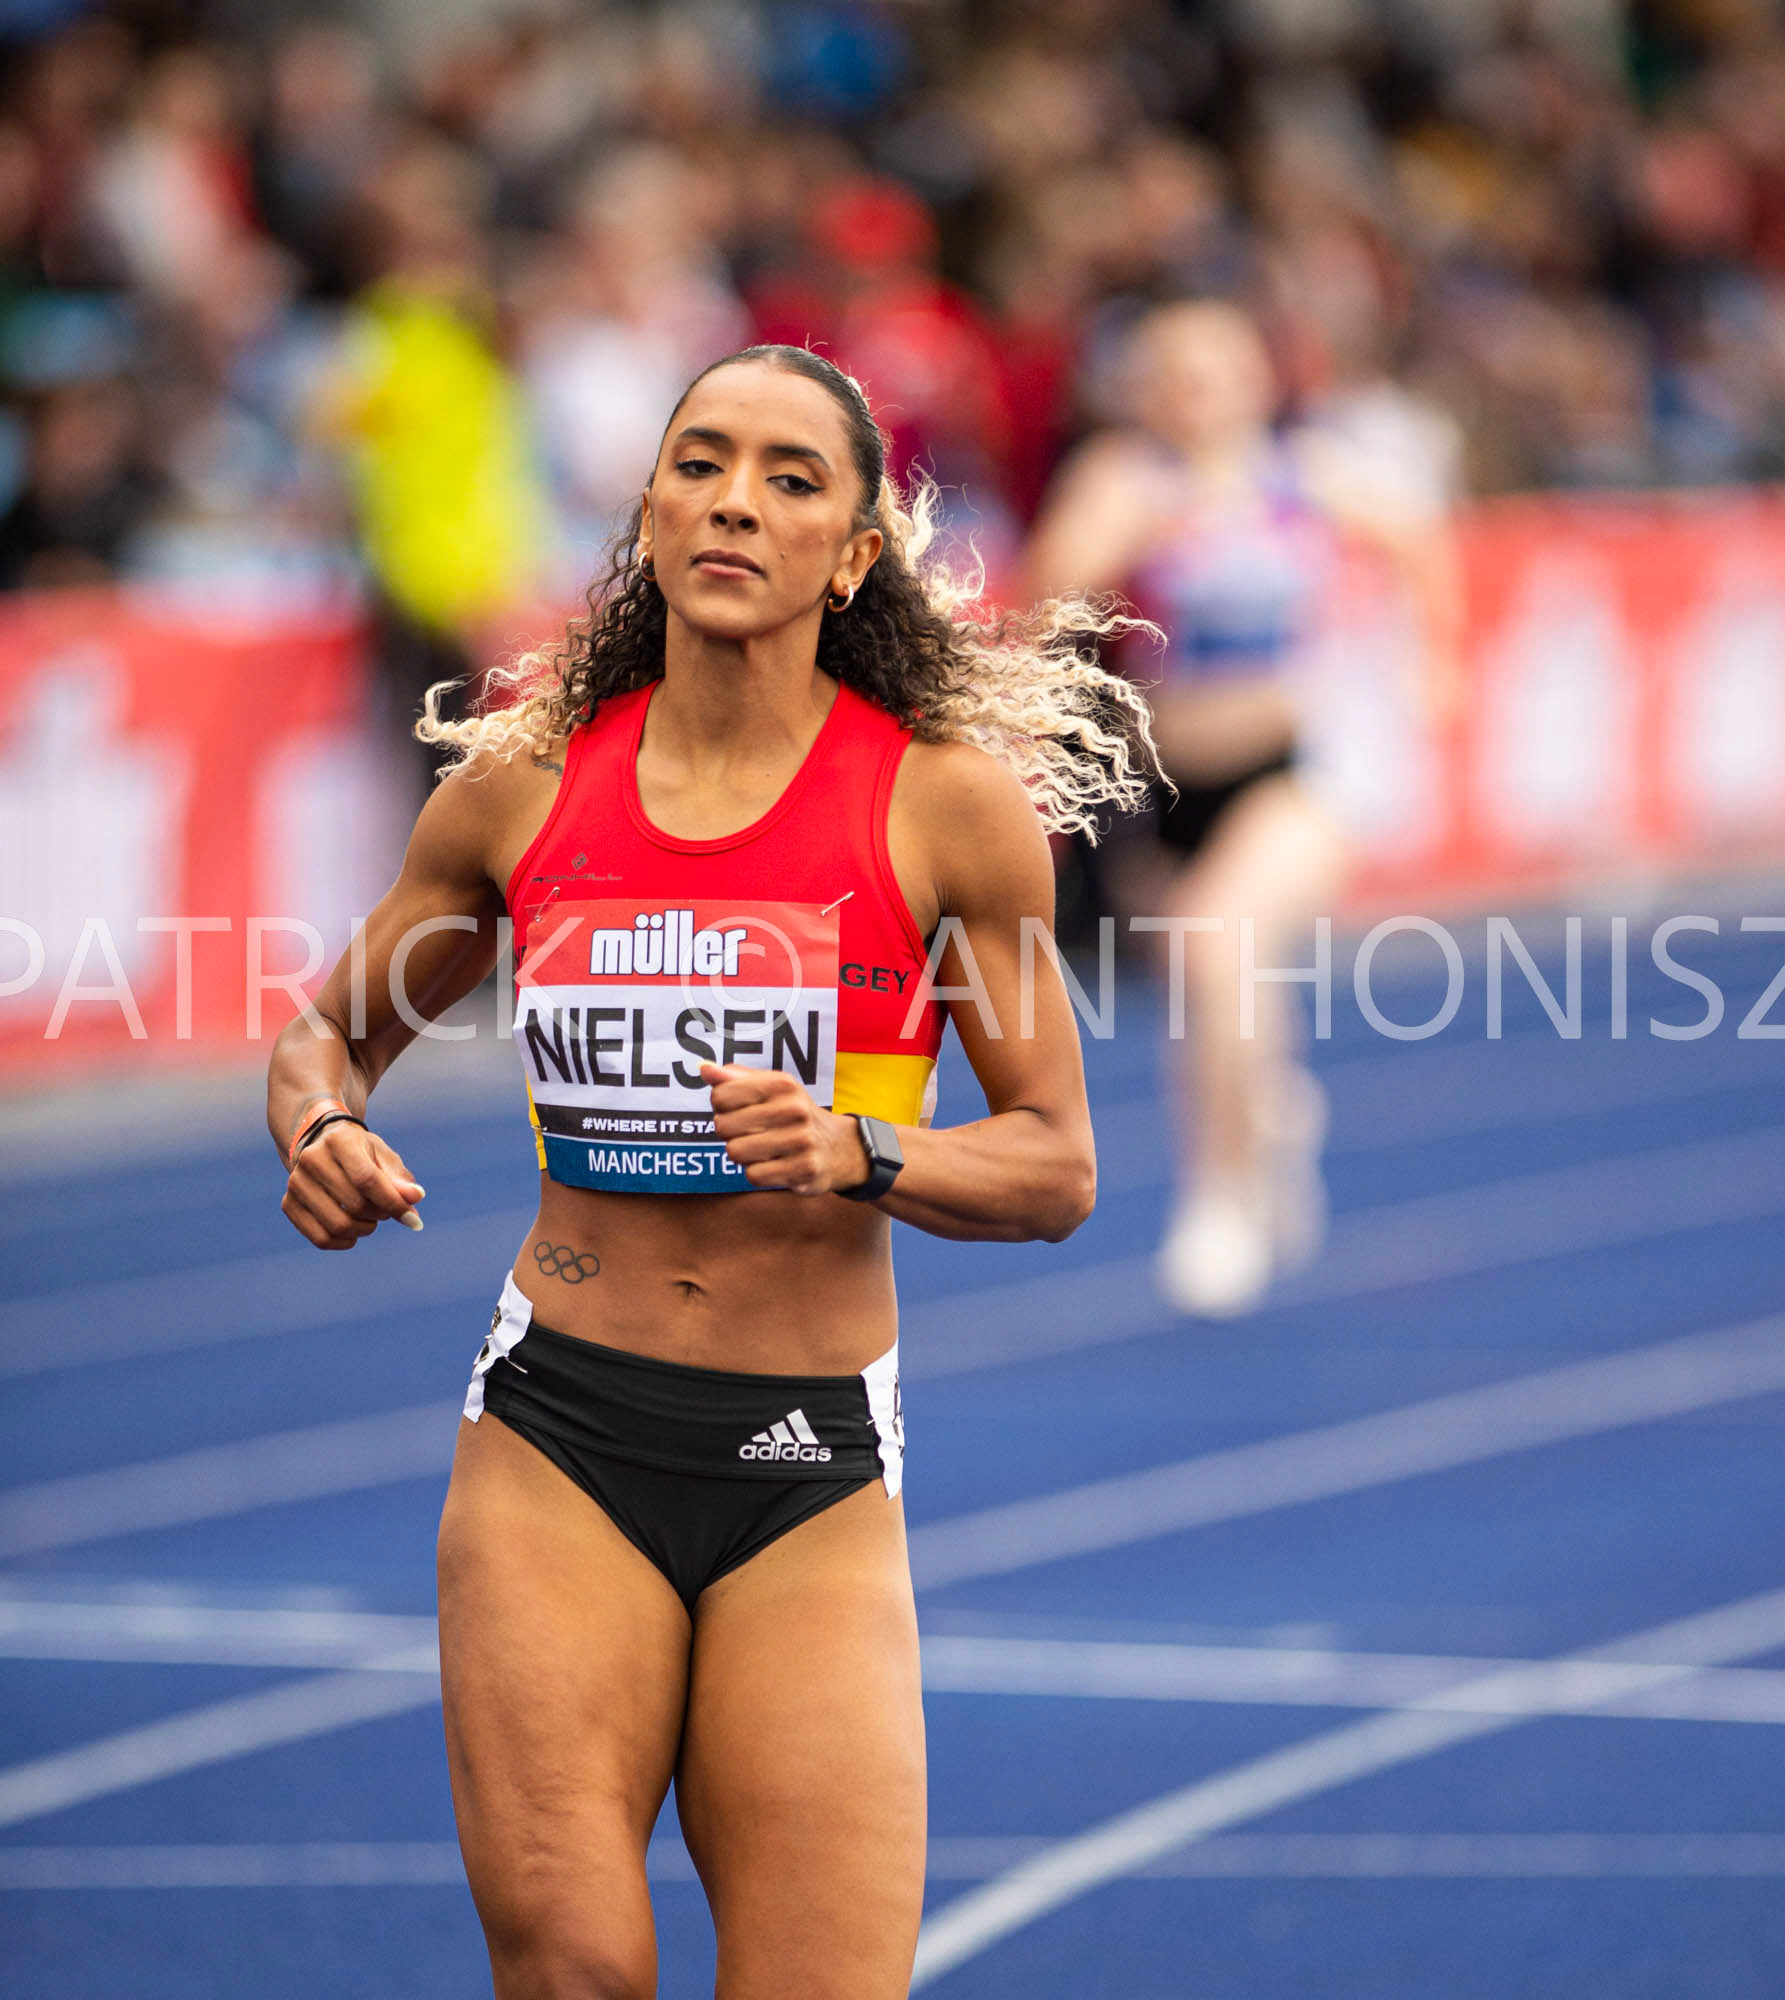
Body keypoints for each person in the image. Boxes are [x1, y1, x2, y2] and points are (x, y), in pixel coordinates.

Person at [266, 343, 1155, 1998]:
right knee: (576, 1966)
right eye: (699, 461)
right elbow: (325, 1040)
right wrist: (321, 1133)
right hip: (560, 1442)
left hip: (807, 1472)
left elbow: (1055, 1166)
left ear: (857, 551)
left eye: (791, 477)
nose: (734, 499)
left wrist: (863, 1150)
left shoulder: (945, 816)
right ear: (651, 505)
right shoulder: (521, 797)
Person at [1026, 298, 1459, 1316]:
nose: (1195, 390)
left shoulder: (1307, 474)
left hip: (1293, 769)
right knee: (1205, 977)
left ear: (1259, 378)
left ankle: (1220, 1196)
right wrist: (1114, 546)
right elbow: (1050, 592)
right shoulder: (1129, 479)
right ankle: (1268, 1107)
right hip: (1162, 782)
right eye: (1172, 371)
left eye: (1215, 369)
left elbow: (1420, 539)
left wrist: (1438, 659)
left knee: (1216, 945)